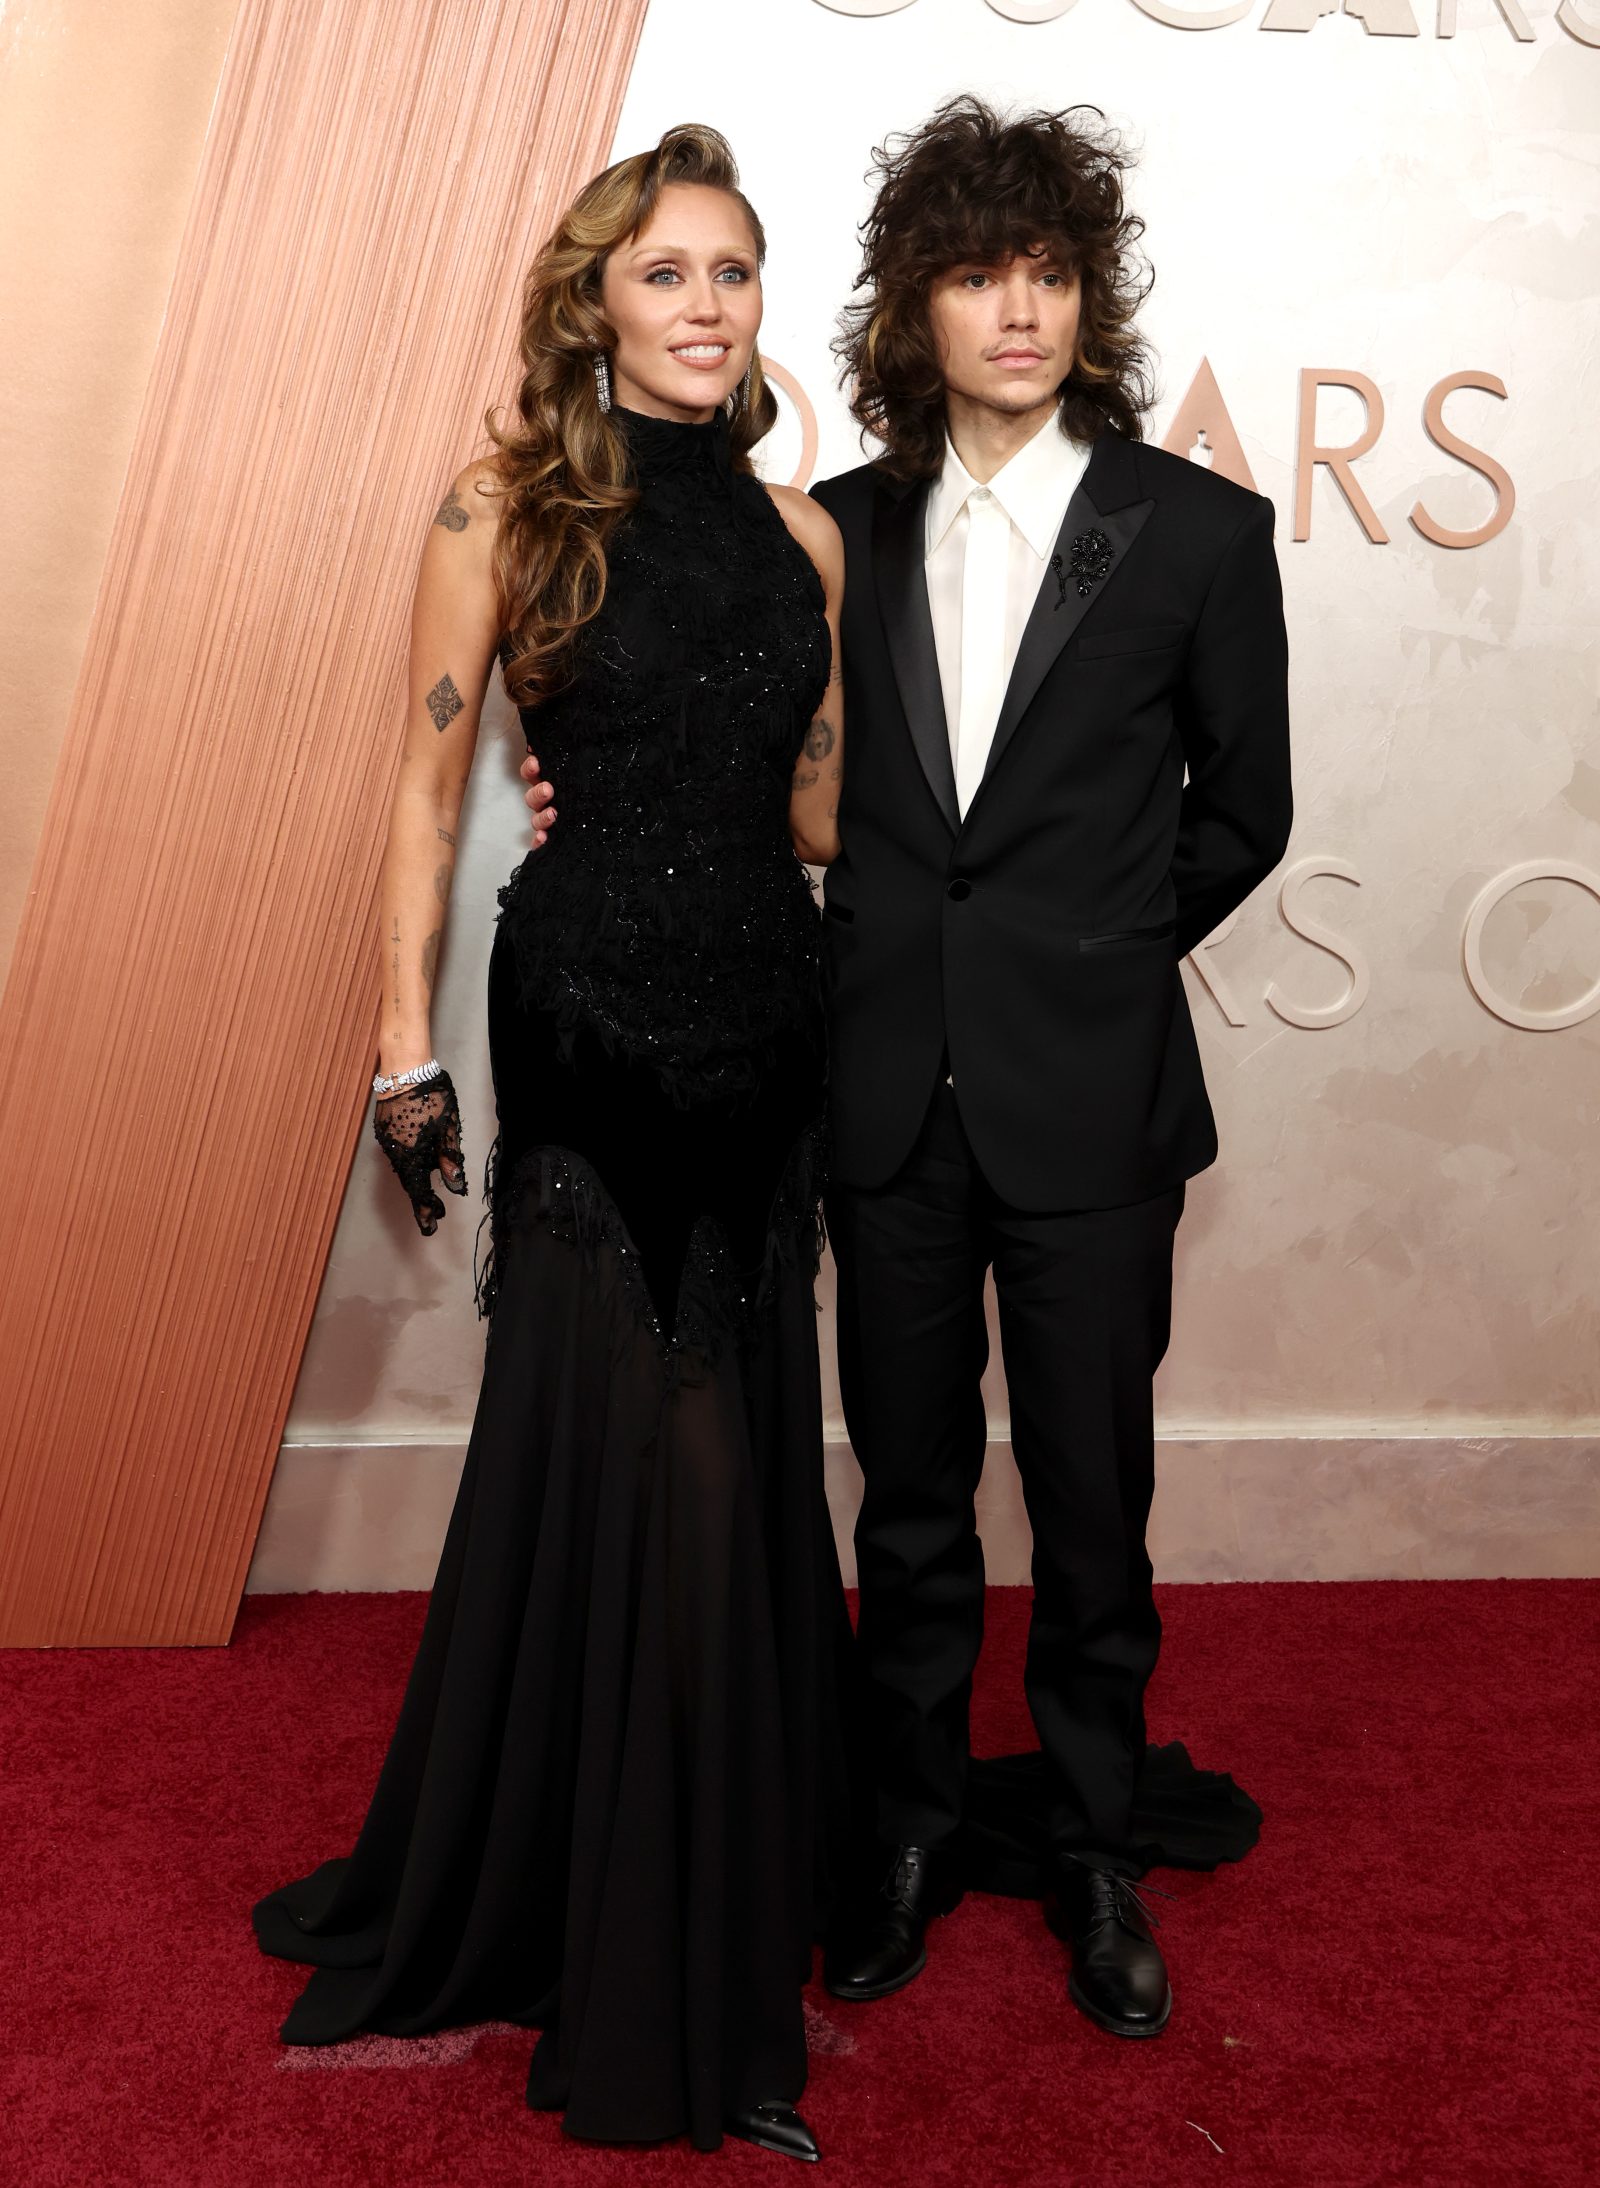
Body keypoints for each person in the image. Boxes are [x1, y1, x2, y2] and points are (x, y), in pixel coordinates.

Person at [253, 124, 854, 2164]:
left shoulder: (807, 539)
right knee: (657, 1453)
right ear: (595, 299)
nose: (706, 307)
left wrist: (1039, 840)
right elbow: (425, 800)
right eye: (668, 272)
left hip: (772, 1022)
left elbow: (819, 822)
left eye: (735, 273)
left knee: (736, 1445)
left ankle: (677, 1880)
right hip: (588, 1015)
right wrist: (396, 1054)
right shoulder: (501, 508)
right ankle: (656, 1974)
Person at [805, 97, 1289, 2038]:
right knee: (905, 1498)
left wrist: (1076, 953)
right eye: (973, 272)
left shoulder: (1197, 531)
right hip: (878, 1096)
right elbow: (778, 771)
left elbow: (1240, 813)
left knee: (1091, 1496)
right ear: (911, 304)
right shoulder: (827, 531)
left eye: (1048, 274)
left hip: (1088, 1100)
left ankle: (1095, 1843)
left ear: (1085, 299)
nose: (1014, 308)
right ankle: (910, 1819)